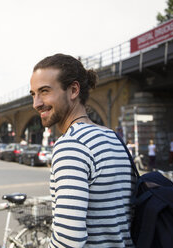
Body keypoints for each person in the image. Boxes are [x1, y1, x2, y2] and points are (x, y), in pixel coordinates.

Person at [29, 53, 136, 247]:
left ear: (73, 90)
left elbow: (69, 239)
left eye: (44, 91)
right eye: (33, 94)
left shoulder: (72, 144)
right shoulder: (113, 138)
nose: (36, 103)